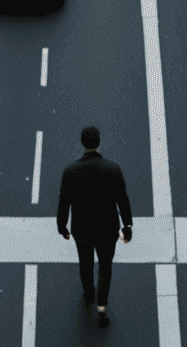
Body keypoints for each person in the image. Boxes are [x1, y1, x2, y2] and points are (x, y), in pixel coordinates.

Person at [56, 126, 133, 328]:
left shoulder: (70, 171)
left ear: (82, 143)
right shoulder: (113, 169)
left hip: (82, 228)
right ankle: (102, 306)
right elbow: (122, 200)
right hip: (107, 228)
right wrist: (127, 224)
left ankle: (89, 292)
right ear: (99, 142)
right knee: (106, 266)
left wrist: (62, 227)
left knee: (85, 263)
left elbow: (64, 202)